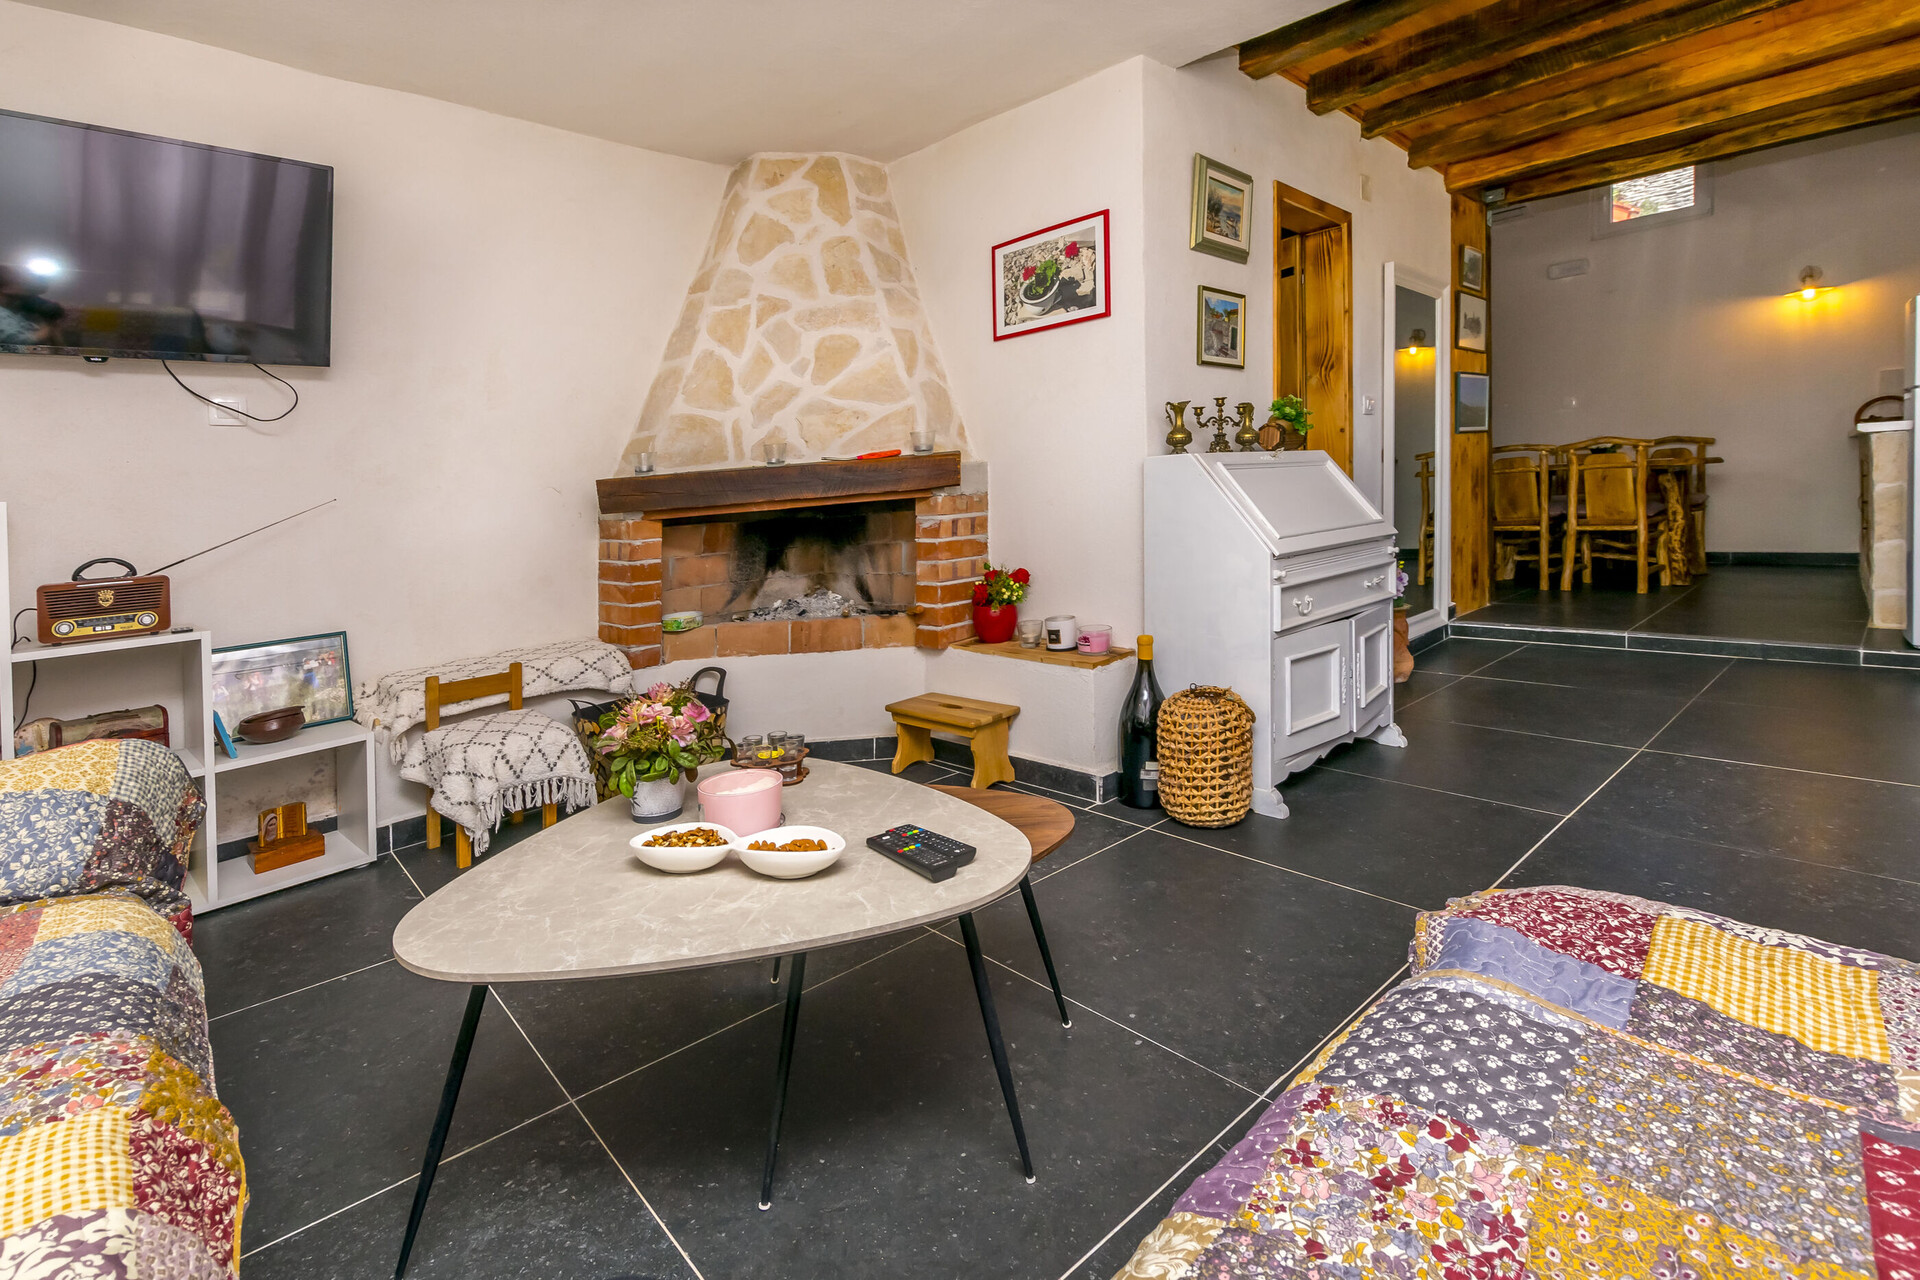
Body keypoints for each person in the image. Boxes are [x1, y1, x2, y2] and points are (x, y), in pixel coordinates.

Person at [0, 265, 64, 346]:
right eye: (18, 282)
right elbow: (15, 341)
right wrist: (47, 330)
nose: (22, 285)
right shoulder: (4, 314)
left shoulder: (22, 310)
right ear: (5, 288)